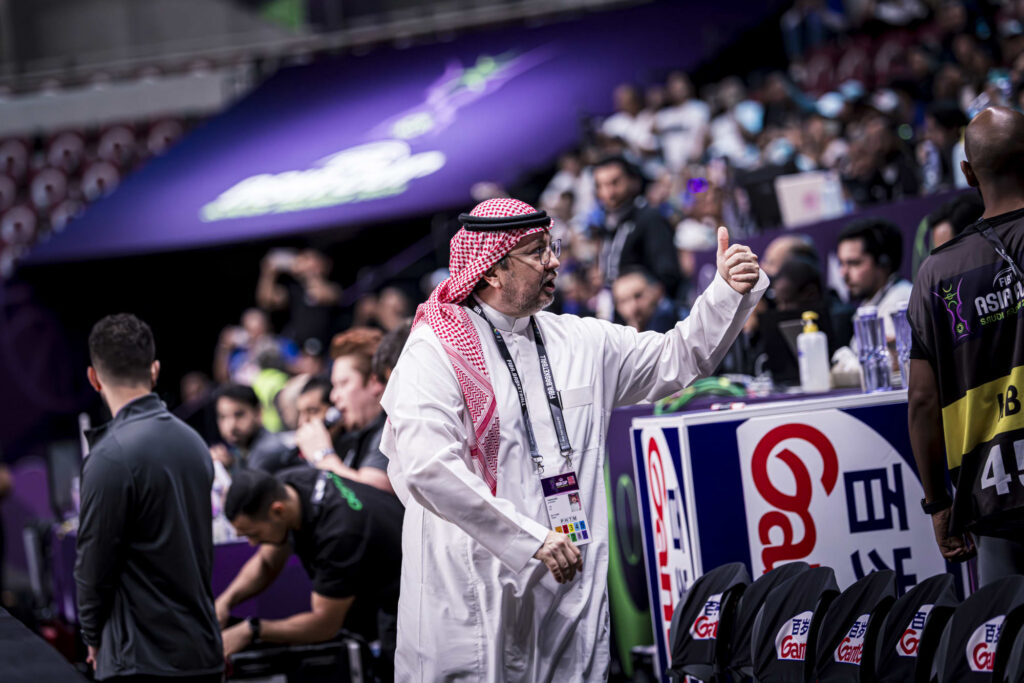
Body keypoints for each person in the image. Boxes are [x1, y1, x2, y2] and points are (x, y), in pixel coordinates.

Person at [380, 197, 765, 680]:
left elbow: (677, 357)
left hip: (569, 588)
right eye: (537, 252)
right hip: (475, 591)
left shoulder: (580, 341)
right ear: (493, 270)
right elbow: (428, 467)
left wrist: (726, 291)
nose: (554, 262)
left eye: (553, 246)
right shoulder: (434, 352)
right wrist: (528, 539)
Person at [908, 106, 1024, 585]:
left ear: (968, 172)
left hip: (996, 492)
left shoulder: (937, 272)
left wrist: (938, 504)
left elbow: (922, 401)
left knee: (1007, 623)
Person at [74, 314, 222, 681]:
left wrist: (92, 636)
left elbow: (93, 566)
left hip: (141, 661)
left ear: (94, 378)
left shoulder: (110, 456)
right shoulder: (194, 443)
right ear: (154, 370)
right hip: (202, 652)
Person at [215, 468, 403, 680]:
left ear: (278, 510)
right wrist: (225, 603)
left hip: (404, 597)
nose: (252, 543)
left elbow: (324, 625)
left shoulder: (339, 534)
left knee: (396, 672)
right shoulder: (289, 485)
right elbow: (267, 562)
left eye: (254, 534)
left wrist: (252, 630)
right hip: (377, 571)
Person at [294, 328, 393, 494]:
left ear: (374, 382)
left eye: (343, 383)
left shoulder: (390, 430)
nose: (334, 396)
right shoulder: (357, 434)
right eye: (334, 386)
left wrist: (323, 456)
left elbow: (372, 494)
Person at [591, 156, 683, 298]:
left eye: (615, 183)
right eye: (601, 186)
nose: (609, 193)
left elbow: (667, 274)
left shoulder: (650, 218)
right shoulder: (605, 224)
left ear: (634, 181)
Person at [836, 217, 913, 339]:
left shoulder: (901, 302)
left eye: (854, 263)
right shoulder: (869, 303)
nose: (843, 273)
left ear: (883, 263)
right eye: (841, 263)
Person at [257, 248, 342, 350]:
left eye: (307, 259)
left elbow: (320, 295)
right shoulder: (296, 289)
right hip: (299, 351)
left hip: (328, 350)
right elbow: (266, 301)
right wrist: (269, 273)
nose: (302, 262)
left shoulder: (333, 287)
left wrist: (309, 272)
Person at [211, 383, 301, 475]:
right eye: (223, 417)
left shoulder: (268, 453)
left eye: (239, 415)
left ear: (258, 413)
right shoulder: (242, 451)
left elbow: (249, 482)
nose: (231, 425)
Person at [611, 266, 680, 333]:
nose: (633, 306)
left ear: (657, 291)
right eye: (623, 301)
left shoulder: (668, 318)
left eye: (638, 296)